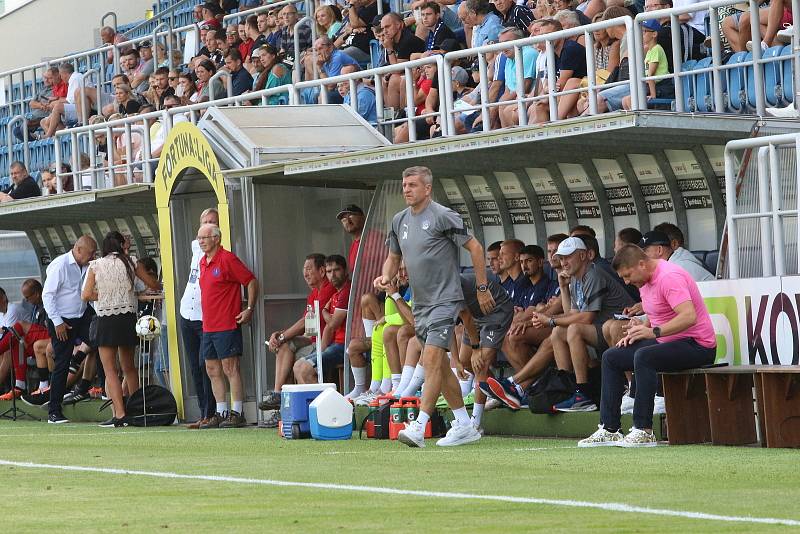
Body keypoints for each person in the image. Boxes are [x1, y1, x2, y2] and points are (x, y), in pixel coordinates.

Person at [377, 165, 493, 448]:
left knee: (429, 360)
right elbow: (393, 257)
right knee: (439, 364)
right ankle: (464, 424)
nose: (406, 189)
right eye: (404, 185)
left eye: (413, 185)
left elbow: (476, 248)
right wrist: (386, 274)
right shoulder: (399, 220)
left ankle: (419, 425)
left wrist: (481, 288)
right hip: (421, 303)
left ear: (427, 188)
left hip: (445, 301)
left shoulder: (442, 215)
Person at [578, 244, 717, 447]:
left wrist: (652, 332)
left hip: (698, 345)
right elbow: (658, 313)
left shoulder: (669, 277)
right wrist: (639, 329)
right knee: (612, 357)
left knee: (644, 357)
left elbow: (689, 316)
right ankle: (610, 429)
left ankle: (644, 430)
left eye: (627, 275)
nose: (626, 281)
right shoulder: (644, 281)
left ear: (641, 264)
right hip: (667, 341)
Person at [82, 232, 160, 427]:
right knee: (129, 368)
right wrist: (133, 293)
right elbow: (153, 284)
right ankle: (137, 410)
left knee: (110, 371)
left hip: (105, 321)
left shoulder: (96, 265)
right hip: (127, 319)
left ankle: (120, 413)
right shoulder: (131, 262)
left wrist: (105, 296)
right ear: (121, 245)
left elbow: (86, 295)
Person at [550, 236, 634, 412]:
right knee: (558, 332)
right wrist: (564, 288)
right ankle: (569, 390)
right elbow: (571, 313)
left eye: (568, 257)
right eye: (562, 258)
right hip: (602, 329)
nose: (563, 262)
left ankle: (584, 394)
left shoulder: (593, 273)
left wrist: (550, 320)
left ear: (582, 256)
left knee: (574, 329)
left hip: (621, 327)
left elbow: (586, 318)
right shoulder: (573, 278)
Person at [197, 223, 259, 429]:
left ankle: (237, 412)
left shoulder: (227, 259)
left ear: (216, 238)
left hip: (226, 324)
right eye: (199, 238)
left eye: (205, 237)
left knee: (230, 368)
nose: (201, 241)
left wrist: (249, 308)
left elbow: (250, 281)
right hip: (208, 326)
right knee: (212, 369)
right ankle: (221, 411)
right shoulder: (202, 262)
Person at [262, 253, 335, 418]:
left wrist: (283, 336)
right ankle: (279, 398)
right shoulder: (313, 294)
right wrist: (282, 336)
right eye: (304, 269)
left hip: (327, 344)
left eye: (309, 269)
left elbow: (305, 322)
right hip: (314, 341)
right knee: (285, 346)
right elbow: (309, 330)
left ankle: (283, 403)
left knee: (286, 346)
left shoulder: (328, 289)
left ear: (322, 271)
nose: (305, 273)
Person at [42, 235, 98, 424]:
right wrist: (57, 322)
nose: (93, 257)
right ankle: (54, 412)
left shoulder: (87, 265)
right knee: (62, 364)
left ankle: (81, 366)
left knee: (101, 339)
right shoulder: (60, 265)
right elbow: (47, 295)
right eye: (90, 253)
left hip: (81, 315)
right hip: (62, 319)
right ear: (78, 249)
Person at [457, 270, 513, 431]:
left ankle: (475, 424)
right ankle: (499, 390)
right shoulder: (434, 291)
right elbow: (446, 325)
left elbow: (465, 317)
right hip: (475, 315)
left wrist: (476, 349)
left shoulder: (450, 286)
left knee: (480, 363)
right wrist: (457, 360)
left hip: (496, 310)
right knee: (466, 362)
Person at [180, 209, 221, 429]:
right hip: (187, 310)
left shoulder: (222, 253)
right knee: (195, 367)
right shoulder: (197, 246)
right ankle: (203, 412)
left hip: (207, 317)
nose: (207, 227)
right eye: (204, 223)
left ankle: (212, 413)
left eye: (212, 223)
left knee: (206, 364)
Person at [292, 255, 351, 383]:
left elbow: (333, 324)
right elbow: (314, 328)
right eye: (330, 272)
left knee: (305, 369)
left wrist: (324, 311)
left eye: (337, 270)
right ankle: (308, 402)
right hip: (332, 344)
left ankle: (322, 402)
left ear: (345, 271)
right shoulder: (335, 294)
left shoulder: (346, 292)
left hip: (345, 345)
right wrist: (322, 349)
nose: (332, 275)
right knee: (297, 367)